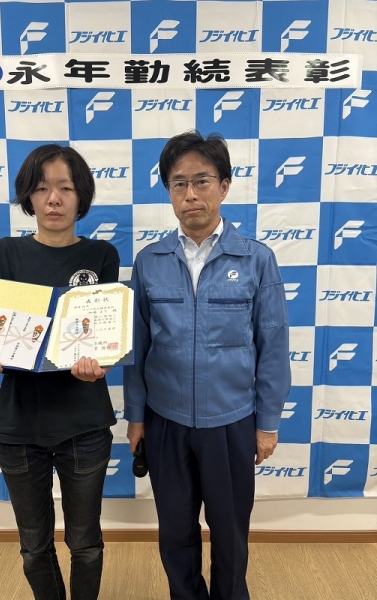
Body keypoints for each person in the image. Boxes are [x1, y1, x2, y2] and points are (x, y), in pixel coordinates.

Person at [124, 131, 291, 600]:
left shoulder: (256, 259)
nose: (191, 194)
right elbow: (136, 348)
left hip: (232, 422)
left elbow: (273, 346)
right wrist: (136, 417)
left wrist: (267, 423)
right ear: (168, 191)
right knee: (175, 532)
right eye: (179, 184)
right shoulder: (149, 261)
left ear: (224, 186)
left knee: (231, 533)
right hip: (166, 421)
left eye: (202, 181)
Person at [0, 144, 120, 600]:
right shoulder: (5, 253)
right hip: (18, 427)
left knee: (85, 544)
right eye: (42, 188)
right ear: (28, 197)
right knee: (34, 548)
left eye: (65, 188)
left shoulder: (102, 255)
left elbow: (106, 339)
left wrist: (100, 365)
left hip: (84, 425)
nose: (54, 199)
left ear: (81, 196)